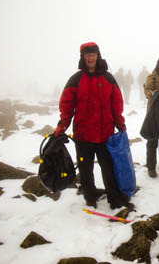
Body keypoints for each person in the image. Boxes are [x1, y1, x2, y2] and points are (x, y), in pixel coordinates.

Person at [54, 42, 129, 210]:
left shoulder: (108, 78)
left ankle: (114, 198)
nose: (90, 57)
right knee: (85, 169)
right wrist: (62, 126)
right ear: (83, 57)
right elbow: (66, 106)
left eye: (93, 54)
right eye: (87, 55)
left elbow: (116, 102)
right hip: (83, 134)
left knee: (108, 168)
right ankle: (90, 197)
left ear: (98, 56)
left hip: (105, 134)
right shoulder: (76, 79)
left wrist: (120, 123)